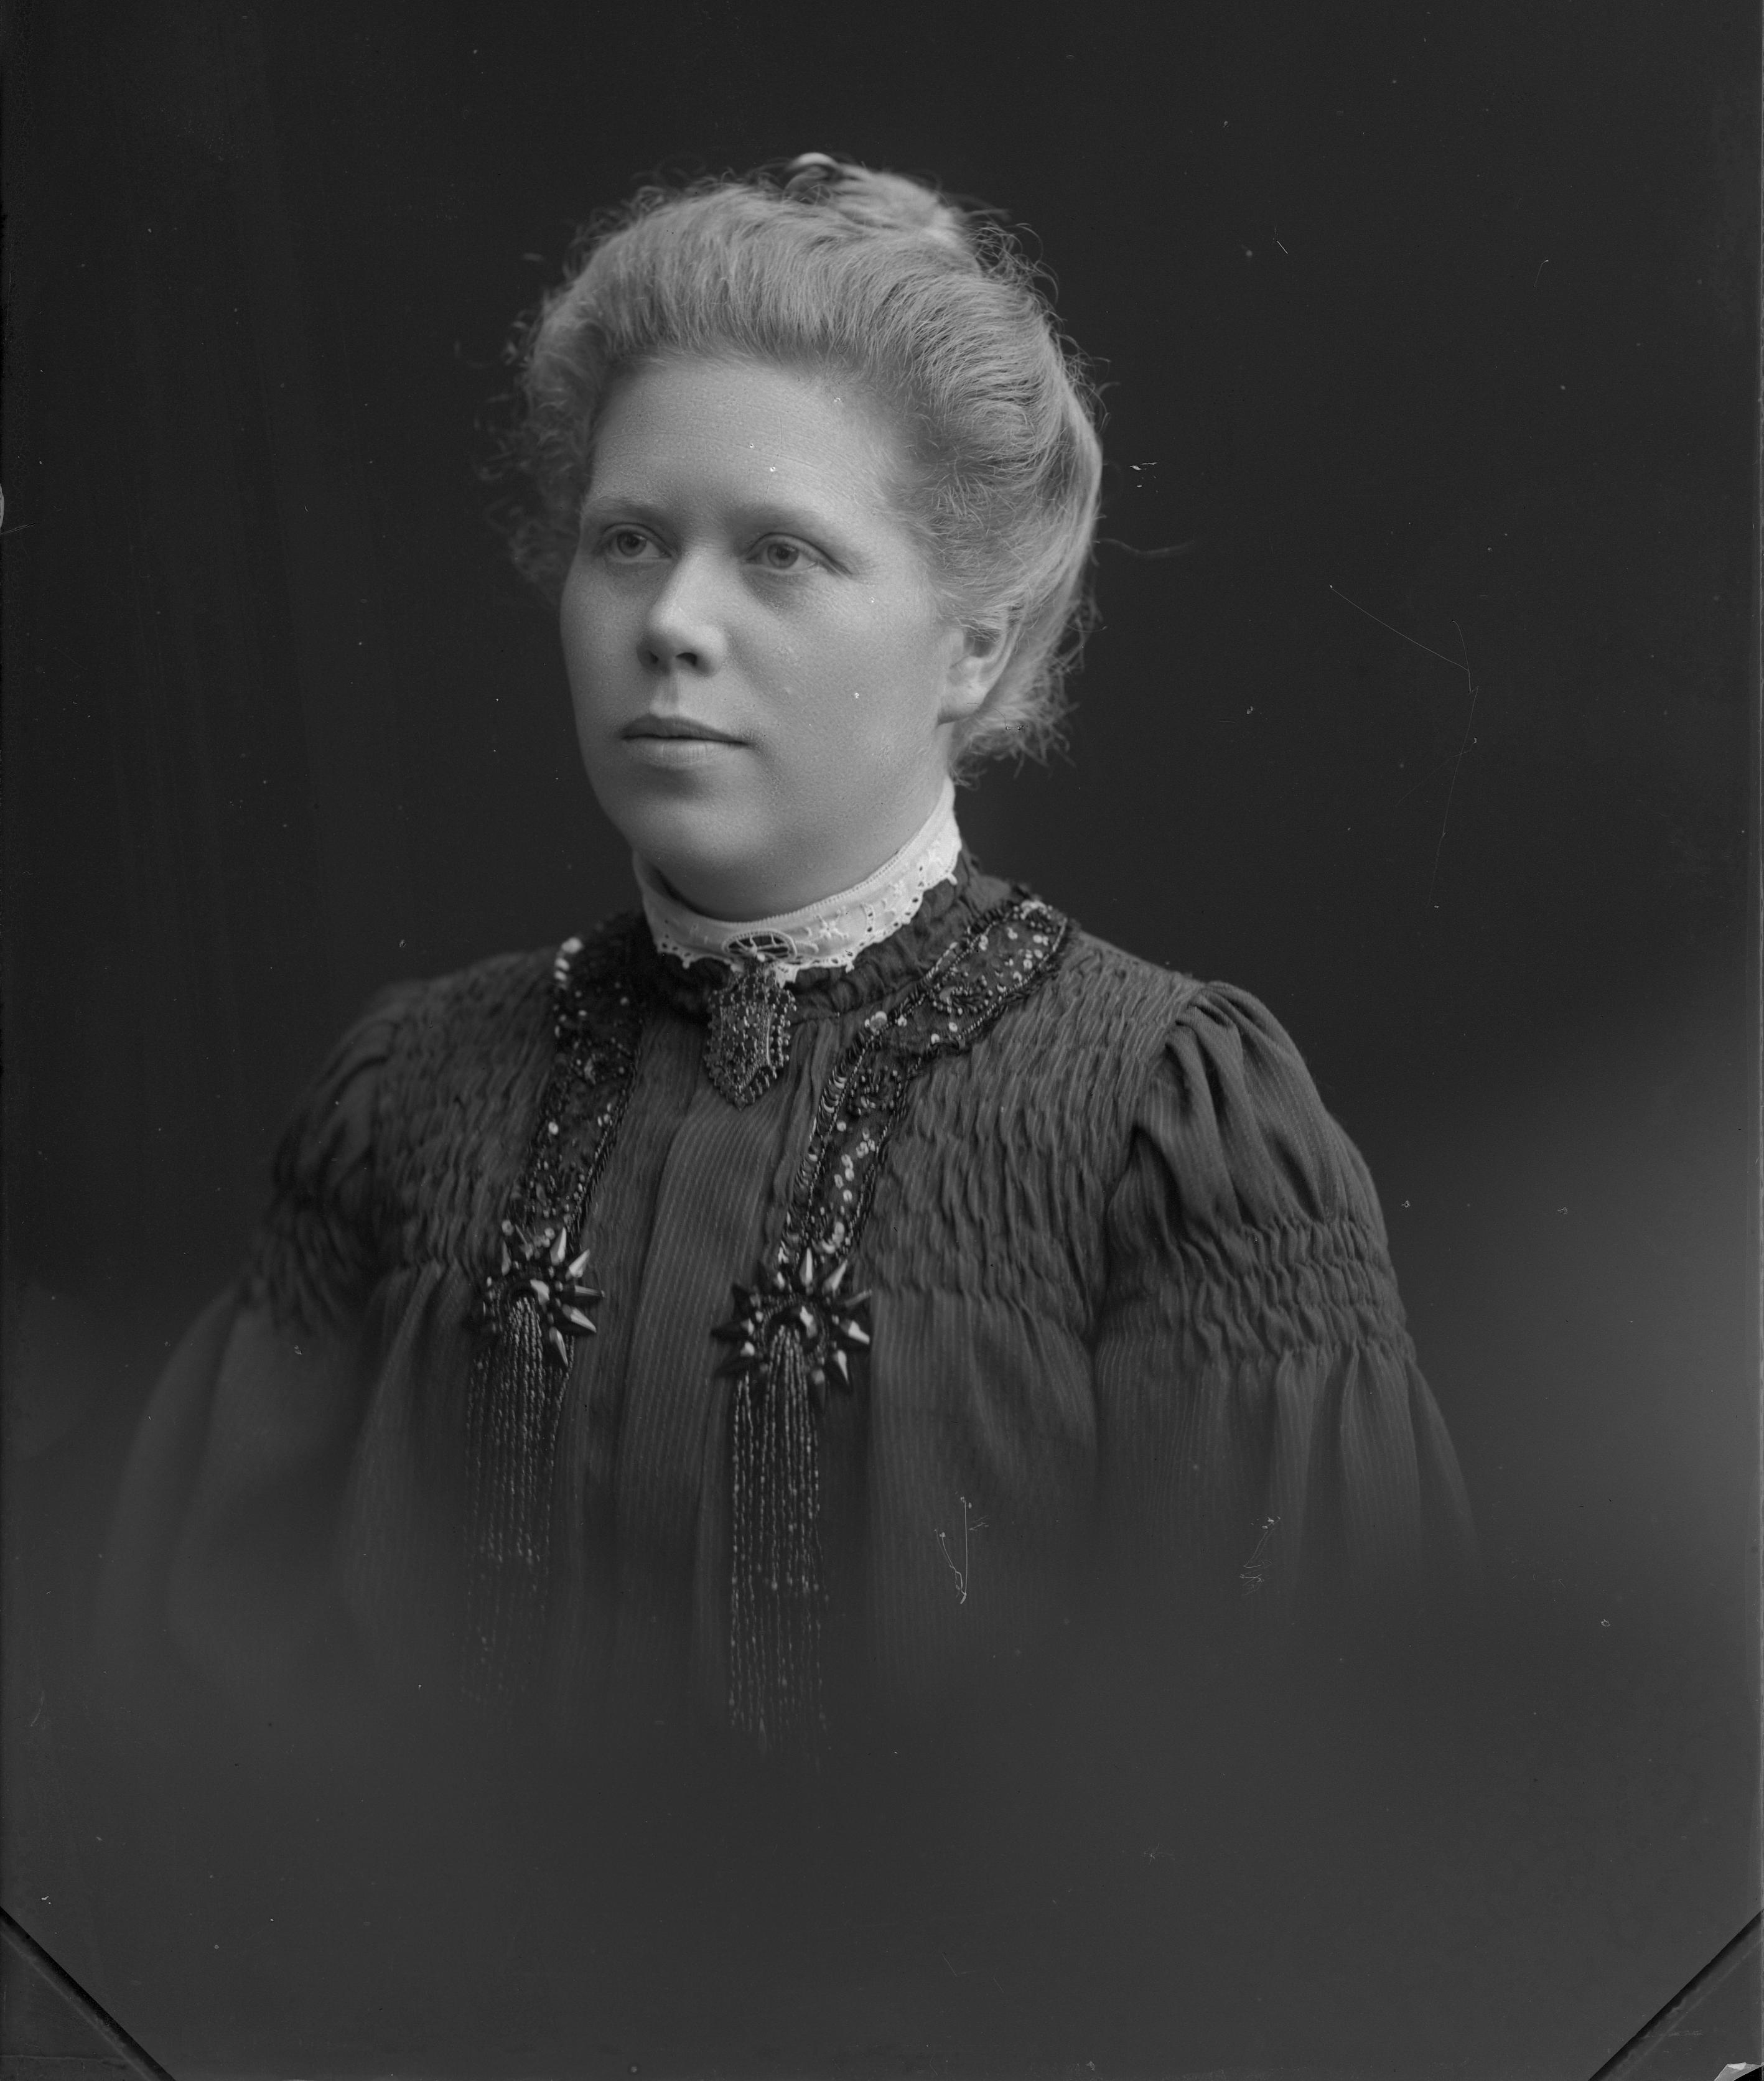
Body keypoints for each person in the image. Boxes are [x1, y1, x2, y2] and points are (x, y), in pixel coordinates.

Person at [99, 154, 1475, 1785]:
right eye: (627, 539)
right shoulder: (408, 1096)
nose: (672, 621)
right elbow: (192, 1741)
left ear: (972, 639)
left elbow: (1292, 1802)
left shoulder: (1162, 1131)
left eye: (780, 553)